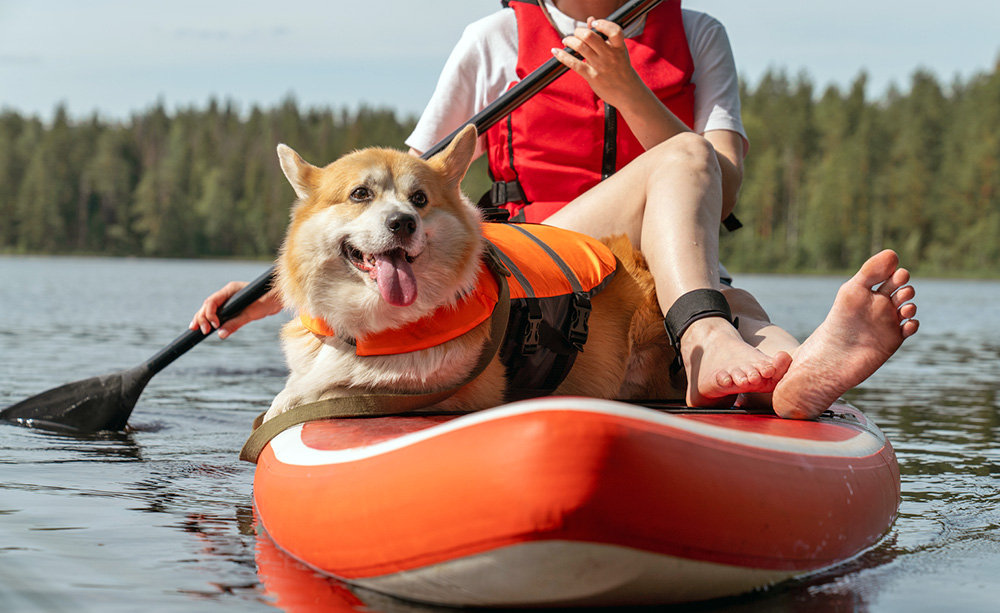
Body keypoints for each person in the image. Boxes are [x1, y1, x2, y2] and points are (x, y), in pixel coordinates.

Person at [191, 0, 918, 419]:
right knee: (691, 173)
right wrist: (274, 291)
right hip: (549, 256)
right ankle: (714, 346)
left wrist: (626, 88)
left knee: (737, 299)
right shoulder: (494, 40)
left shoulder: (699, 35)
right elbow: (396, 197)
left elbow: (722, 193)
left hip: (669, 270)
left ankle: (796, 371)